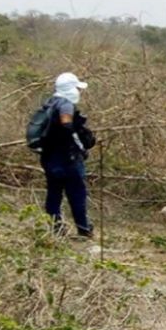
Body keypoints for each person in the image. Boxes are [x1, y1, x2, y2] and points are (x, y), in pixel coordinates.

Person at [41, 72, 95, 237]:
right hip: (67, 158)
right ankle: (83, 228)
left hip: (49, 157)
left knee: (54, 193)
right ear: (71, 89)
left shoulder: (49, 103)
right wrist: (80, 146)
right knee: (77, 193)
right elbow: (67, 125)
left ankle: (55, 228)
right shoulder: (66, 105)